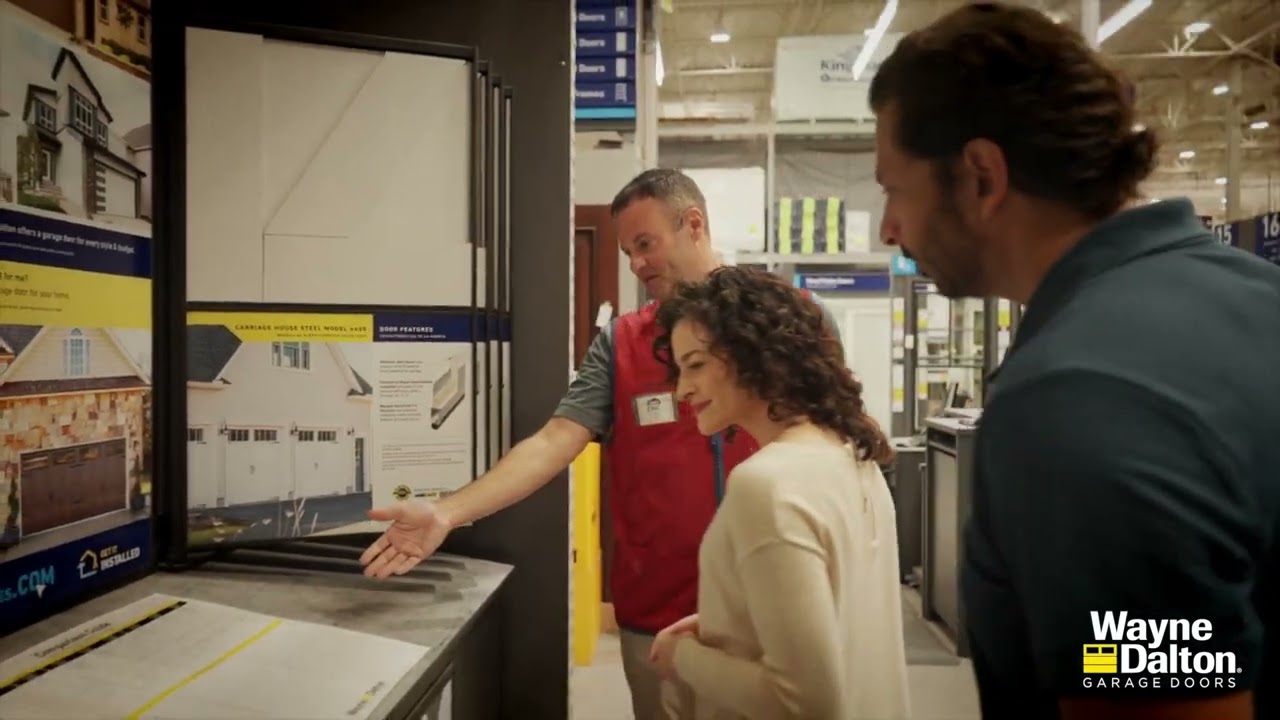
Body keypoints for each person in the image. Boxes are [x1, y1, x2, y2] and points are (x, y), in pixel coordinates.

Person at [869, 3, 1280, 719]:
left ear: (982, 176)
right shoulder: (1254, 296)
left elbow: (1160, 695)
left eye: (893, 190)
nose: (888, 228)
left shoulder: (1081, 399)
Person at [358, 168, 845, 719]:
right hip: (657, 612)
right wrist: (446, 512)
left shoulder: (793, 321)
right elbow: (552, 442)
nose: (635, 265)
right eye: (627, 251)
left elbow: (834, 442)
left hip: (774, 600)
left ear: (693, 224)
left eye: (645, 245)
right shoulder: (623, 345)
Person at [644, 266, 909, 720]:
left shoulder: (766, 484)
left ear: (754, 355)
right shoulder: (850, 452)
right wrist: (732, 620)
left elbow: (805, 703)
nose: (683, 389)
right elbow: (842, 616)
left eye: (696, 366)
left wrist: (681, 657)